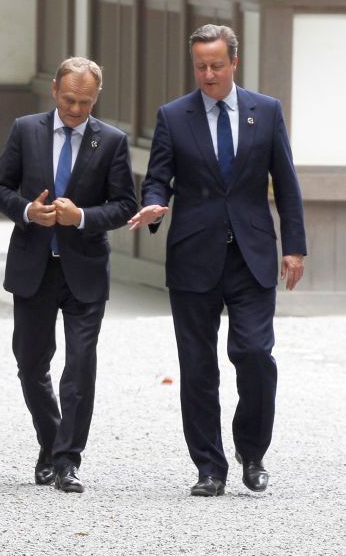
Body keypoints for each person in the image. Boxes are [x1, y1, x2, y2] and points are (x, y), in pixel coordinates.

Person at [129, 24, 306, 497]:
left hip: (251, 254)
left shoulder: (265, 112)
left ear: (233, 63)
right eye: (200, 66)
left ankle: (252, 451)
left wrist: (294, 246)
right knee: (198, 365)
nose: (208, 74)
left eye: (216, 65)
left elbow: (285, 182)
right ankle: (209, 466)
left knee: (252, 354)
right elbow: (158, 176)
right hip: (193, 254)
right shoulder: (173, 115)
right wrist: (152, 203)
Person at [0, 57, 136, 494]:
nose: (75, 109)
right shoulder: (25, 129)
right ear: (54, 90)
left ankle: (68, 461)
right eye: (69, 100)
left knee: (80, 367)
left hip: (85, 269)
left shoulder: (111, 141)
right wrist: (29, 211)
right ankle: (51, 443)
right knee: (31, 364)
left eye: (85, 102)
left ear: (96, 98)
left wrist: (82, 216)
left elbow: (125, 204)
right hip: (34, 265)